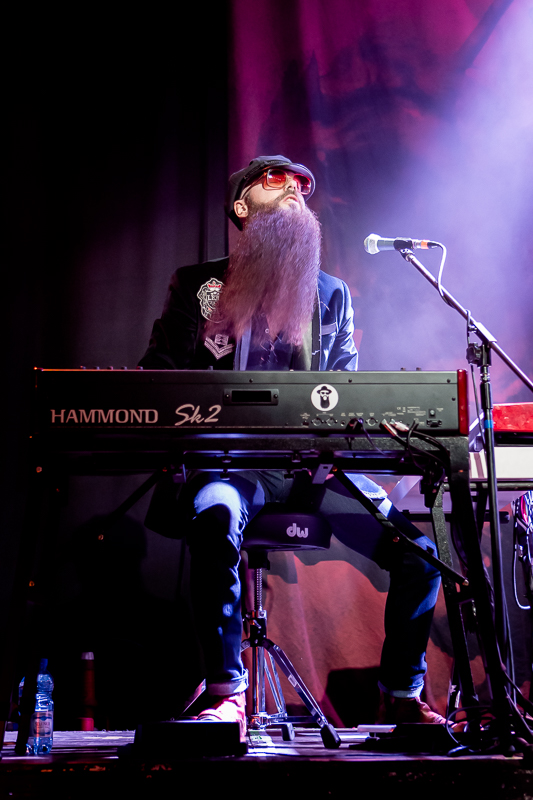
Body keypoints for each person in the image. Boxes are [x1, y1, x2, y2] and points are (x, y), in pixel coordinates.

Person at [139, 155, 446, 738]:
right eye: (274, 180)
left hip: (311, 468)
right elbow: (158, 375)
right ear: (240, 206)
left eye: (302, 185)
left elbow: (348, 390)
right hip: (230, 463)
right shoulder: (198, 285)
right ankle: (227, 694)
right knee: (215, 518)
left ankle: (401, 694)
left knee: (421, 554)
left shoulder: (331, 295)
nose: (294, 190)